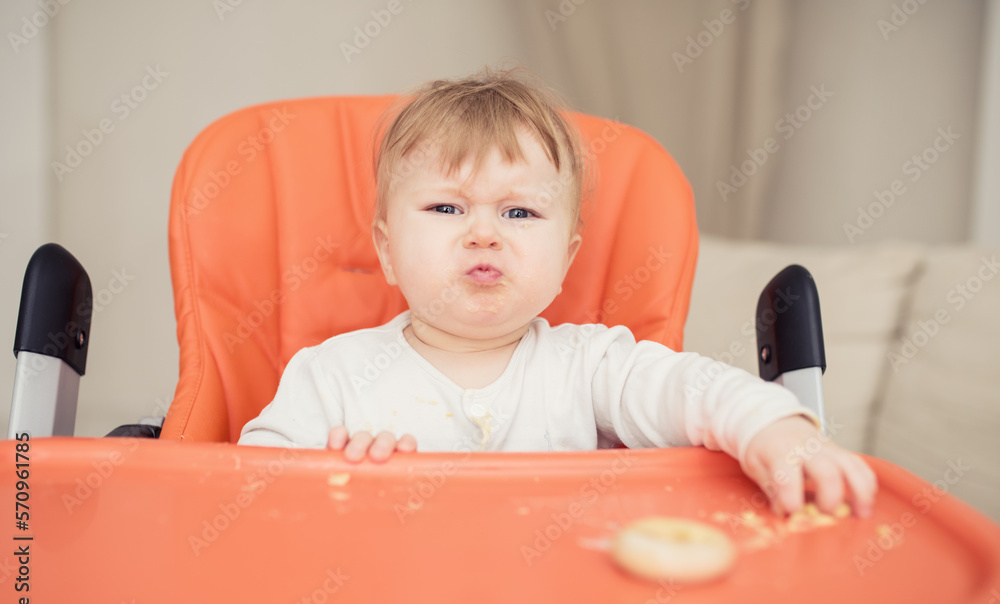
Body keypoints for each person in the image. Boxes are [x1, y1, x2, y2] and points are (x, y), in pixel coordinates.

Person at [239, 68, 877, 518]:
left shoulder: (591, 366)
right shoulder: (331, 376)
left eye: (519, 213)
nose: (484, 234)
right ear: (385, 249)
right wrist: (323, 479)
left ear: (567, 258)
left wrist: (774, 427)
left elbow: (689, 389)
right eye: (445, 207)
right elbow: (243, 494)